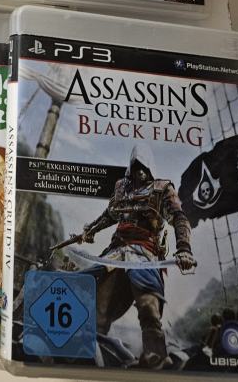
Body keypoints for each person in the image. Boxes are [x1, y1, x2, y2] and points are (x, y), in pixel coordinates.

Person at [76, 143, 196, 369]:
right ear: (131, 167)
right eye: (136, 167)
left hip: (144, 254)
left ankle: (155, 357)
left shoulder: (162, 189)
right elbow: (110, 215)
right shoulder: (121, 187)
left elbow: (179, 218)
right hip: (116, 252)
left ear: (150, 168)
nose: (140, 171)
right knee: (97, 307)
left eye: (144, 167)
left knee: (148, 305)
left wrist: (184, 248)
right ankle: (91, 354)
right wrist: (90, 230)